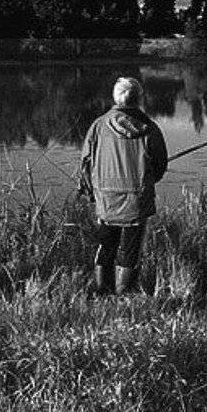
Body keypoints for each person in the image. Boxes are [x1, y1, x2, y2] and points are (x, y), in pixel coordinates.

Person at [78, 76, 168, 295]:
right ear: (139, 99)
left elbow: (85, 163)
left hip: (106, 198)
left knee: (106, 245)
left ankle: (102, 290)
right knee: (130, 250)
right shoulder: (150, 128)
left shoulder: (99, 126)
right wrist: (146, 182)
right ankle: (124, 293)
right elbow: (160, 165)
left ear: (115, 97)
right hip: (136, 200)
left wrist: (91, 191)